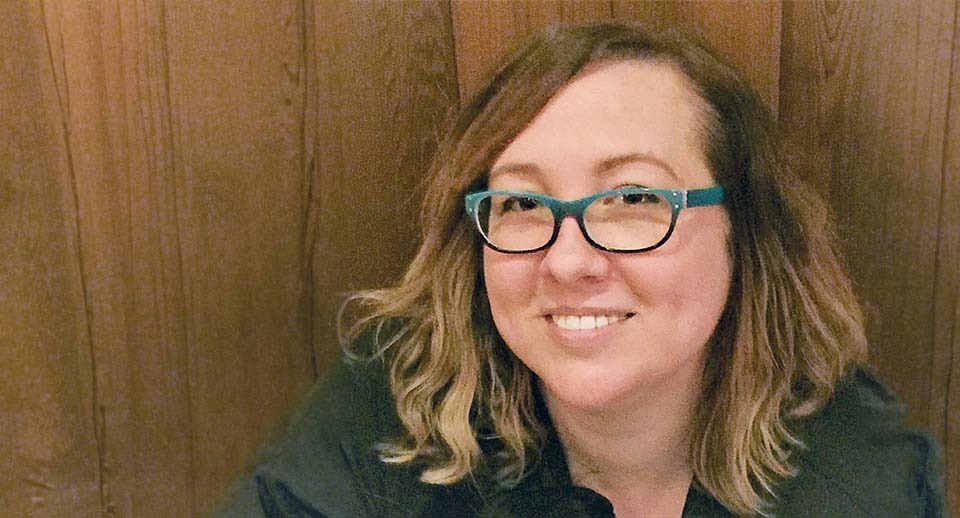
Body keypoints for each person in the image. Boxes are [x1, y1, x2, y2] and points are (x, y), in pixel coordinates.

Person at [214, 22, 945, 517]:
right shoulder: (392, 403)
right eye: (522, 203)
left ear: (745, 232)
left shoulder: (864, 476)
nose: (567, 261)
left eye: (634, 198)